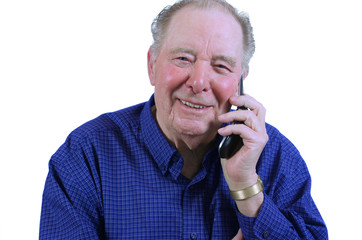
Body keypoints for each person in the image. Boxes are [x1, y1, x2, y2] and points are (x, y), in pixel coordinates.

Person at [39, 0, 328, 239]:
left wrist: (247, 190)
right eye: (183, 59)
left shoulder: (275, 155)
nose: (199, 82)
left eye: (221, 65)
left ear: (240, 81)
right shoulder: (85, 156)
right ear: (152, 66)